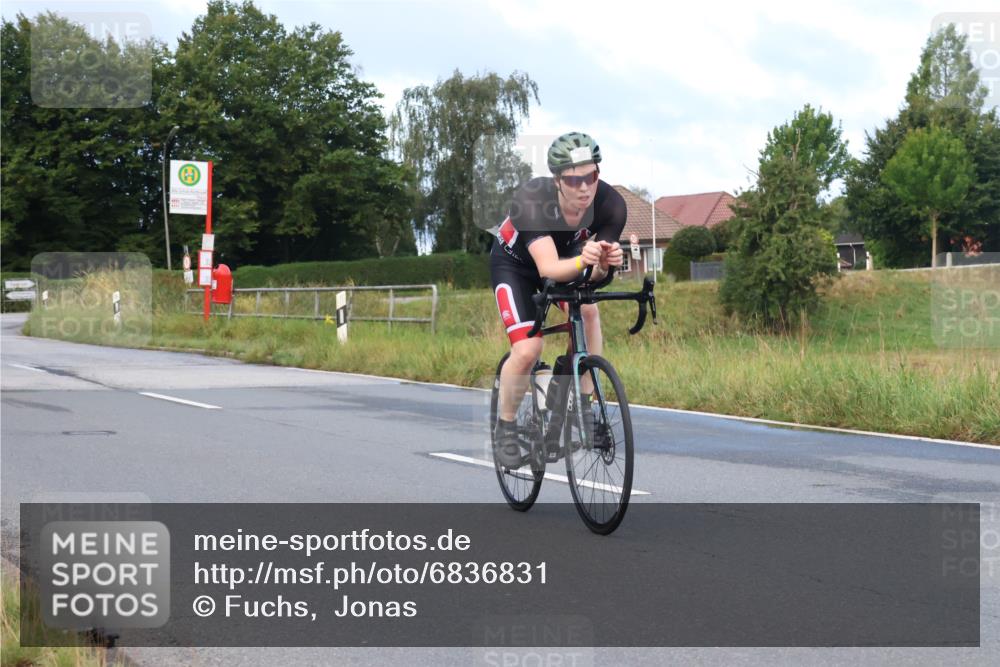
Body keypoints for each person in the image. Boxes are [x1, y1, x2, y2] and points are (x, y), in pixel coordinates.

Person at [489, 131, 626, 466]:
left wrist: (604, 263)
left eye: (591, 177)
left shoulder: (611, 205)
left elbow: (593, 277)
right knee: (528, 349)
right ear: (557, 181)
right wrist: (585, 260)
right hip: (517, 266)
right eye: (573, 180)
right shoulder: (533, 199)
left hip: (566, 259)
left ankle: (585, 406)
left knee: (589, 313)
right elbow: (548, 268)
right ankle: (505, 428)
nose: (584, 188)